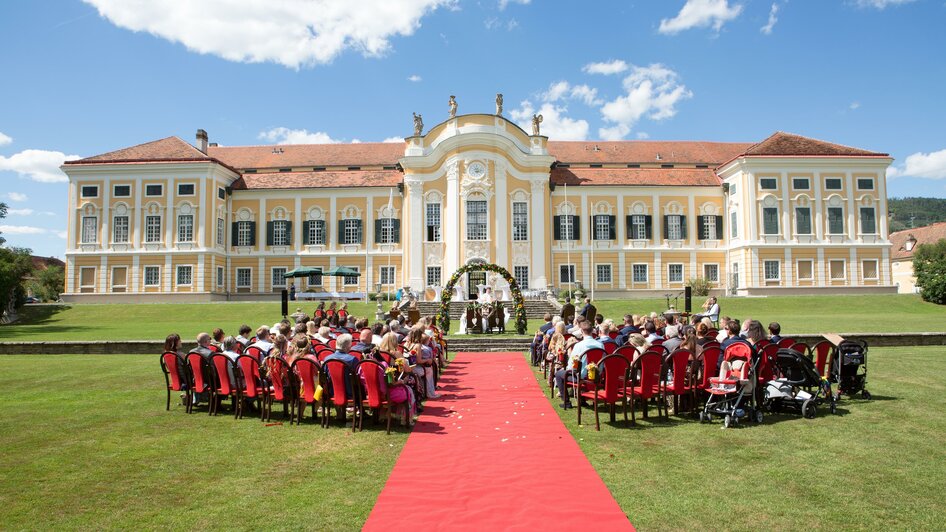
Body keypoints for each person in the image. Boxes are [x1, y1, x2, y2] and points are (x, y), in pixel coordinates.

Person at [554, 322, 603, 408]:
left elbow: (571, 365)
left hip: (581, 377)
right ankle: (582, 400)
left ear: (581, 331)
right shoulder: (600, 344)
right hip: (596, 375)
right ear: (592, 331)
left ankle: (567, 402)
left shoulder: (579, 345)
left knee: (559, 374)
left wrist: (566, 369)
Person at [406, 327, 440, 399]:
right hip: (414, 368)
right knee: (429, 370)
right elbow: (419, 361)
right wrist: (428, 360)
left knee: (428, 369)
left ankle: (426, 391)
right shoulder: (418, 345)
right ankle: (430, 393)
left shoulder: (408, 343)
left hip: (409, 367)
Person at [323, 333, 359, 400]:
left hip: (332, 392)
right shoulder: (352, 360)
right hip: (351, 393)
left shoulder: (327, 359)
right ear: (348, 345)